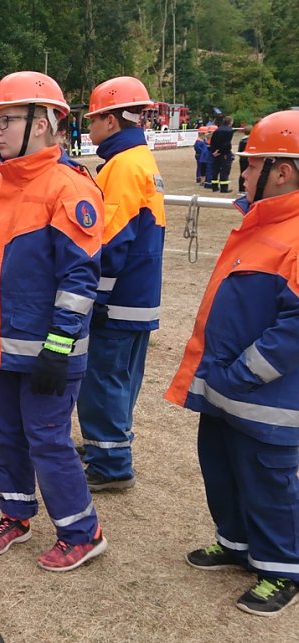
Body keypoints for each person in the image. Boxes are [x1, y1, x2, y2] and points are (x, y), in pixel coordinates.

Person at [165, 110, 299, 617]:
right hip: (227, 390)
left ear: (280, 171)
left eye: (250, 164)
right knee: (222, 470)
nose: (241, 173)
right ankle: (236, 543)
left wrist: (244, 373)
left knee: (269, 483)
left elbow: (295, 329)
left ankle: (282, 568)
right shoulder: (261, 220)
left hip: (265, 398)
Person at [0, 71, 107, 572]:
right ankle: (16, 513)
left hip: (49, 353)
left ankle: (82, 531)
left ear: (45, 123)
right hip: (0, 347)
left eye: (7, 119)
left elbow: (79, 279)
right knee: (5, 434)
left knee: (48, 440)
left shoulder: (69, 188)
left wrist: (57, 347)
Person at [77, 76, 165, 491]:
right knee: (122, 378)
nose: (88, 127)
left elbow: (110, 242)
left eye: (92, 119)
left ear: (111, 121)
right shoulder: (141, 161)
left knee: (103, 379)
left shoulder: (123, 167)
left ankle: (110, 465)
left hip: (117, 300)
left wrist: (92, 296)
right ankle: (107, 446)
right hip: (138, 297)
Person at [209, 114, 234, 193]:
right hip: (224, 153)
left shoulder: (217, 130)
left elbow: (212, 141)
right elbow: (226, 144)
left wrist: (214, 151)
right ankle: (224, 188)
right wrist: (220, 151)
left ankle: (214, 187)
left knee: (215, 170)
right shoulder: (229, 131)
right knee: (225, 170)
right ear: (230, 122)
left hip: (216, 153)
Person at [237, 123, 252, 194]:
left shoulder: (241, 140)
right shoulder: (251, 140)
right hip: (248, 158)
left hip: (242, 158)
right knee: (250, 174)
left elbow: (239, 150)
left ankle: (241, 189)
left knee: (242, 173)